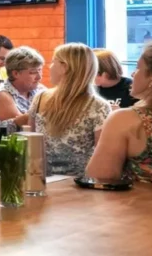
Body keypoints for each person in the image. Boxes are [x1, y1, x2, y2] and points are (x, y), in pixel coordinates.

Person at [86, 40, 152, 185]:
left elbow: (98, 179)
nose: (133, 74)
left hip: (146, 206)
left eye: (138, 68)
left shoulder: (125, 120)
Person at [30, 43, 110, 176]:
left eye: (53, 62)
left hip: (78, 184)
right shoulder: (40, 97)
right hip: (41, 181)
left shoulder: (98, 106)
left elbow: (102, 156)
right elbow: (30, 143)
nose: (49, 67)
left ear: (64, 67)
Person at [0, 46, 46, 132]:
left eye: (40, 70)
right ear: (15, 73)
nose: (39, 77)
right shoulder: (3, 95)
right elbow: (28, 128)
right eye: (33, 72)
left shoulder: (39, 89)